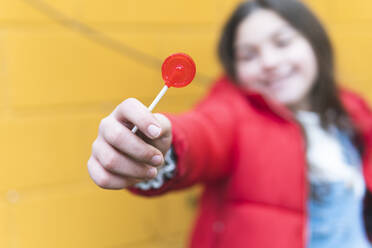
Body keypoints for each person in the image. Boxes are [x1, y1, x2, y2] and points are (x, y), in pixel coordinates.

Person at [87, 0, 372, 247]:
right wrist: (158, 148)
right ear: (234, 68)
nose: (269, 62)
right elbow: (203, 133)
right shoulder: (233, 112)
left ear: (314, 42)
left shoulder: (351, 108)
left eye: (282, 42)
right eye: (248, 55)